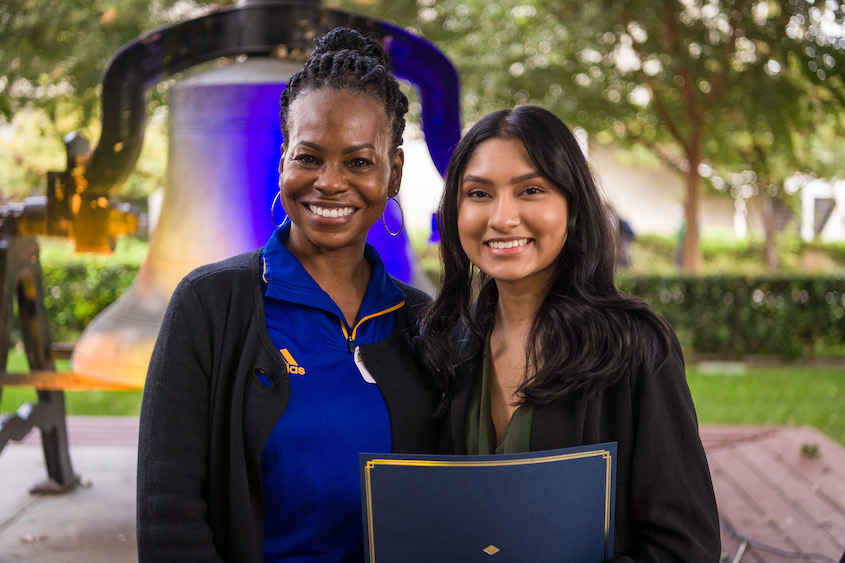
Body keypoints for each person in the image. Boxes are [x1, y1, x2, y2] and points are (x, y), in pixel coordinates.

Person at [136, 27, 440, 561]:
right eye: (309, 157)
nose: (329, 182)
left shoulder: (423, 323)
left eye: (359, 162)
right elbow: (169, 516)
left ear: (393, 174)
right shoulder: (210, 305)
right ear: (283, 162)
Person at [418, 106, 720, 560]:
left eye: (531, 190)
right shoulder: (442, 345)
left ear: (572, 205)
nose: (502, 218)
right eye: (478, 193)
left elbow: (686, 548)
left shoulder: (635, 349)